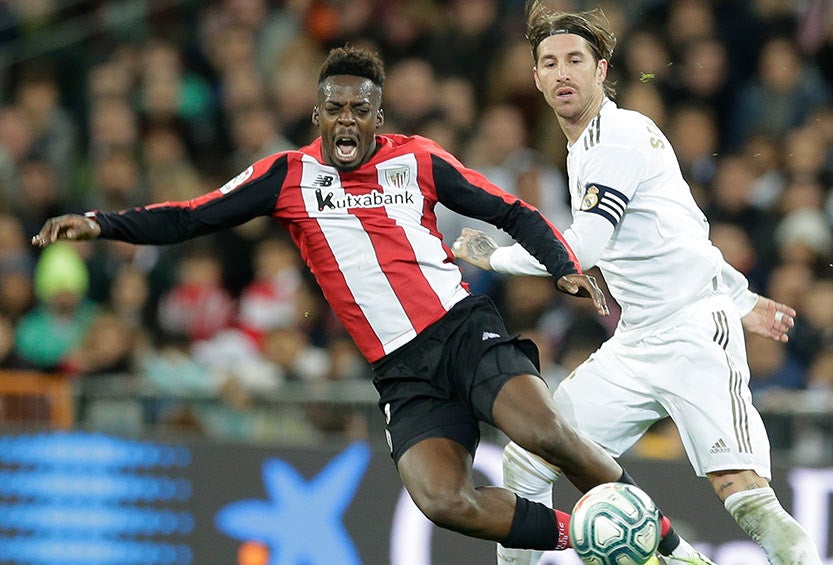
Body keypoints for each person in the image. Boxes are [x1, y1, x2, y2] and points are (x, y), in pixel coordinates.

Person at [33, 45, 675, 559]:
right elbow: (189, 218)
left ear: (377, 116)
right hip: (400, 371)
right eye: (334, 108)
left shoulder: (417, 161)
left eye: (359, 110)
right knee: (442, 500)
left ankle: (669, 546)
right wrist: (100, 223)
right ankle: (587, 537)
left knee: (544, 433)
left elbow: (510, 209)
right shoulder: (284, 176)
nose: (346, 120)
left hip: (460, 330)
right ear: (318, 116)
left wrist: (563, 266)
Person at [451, 5, 823, 564]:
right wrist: (742, 295)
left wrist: (495, 256)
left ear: (601, 70)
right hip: (636, 342)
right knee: (528, 458)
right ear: (534, 77)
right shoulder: (583, 148)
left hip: (695, 334)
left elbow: (586, 248)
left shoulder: (618, 138)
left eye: (575, 60)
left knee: (745, 496)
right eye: (549, 63)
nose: (562, 73)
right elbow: (677, 230)